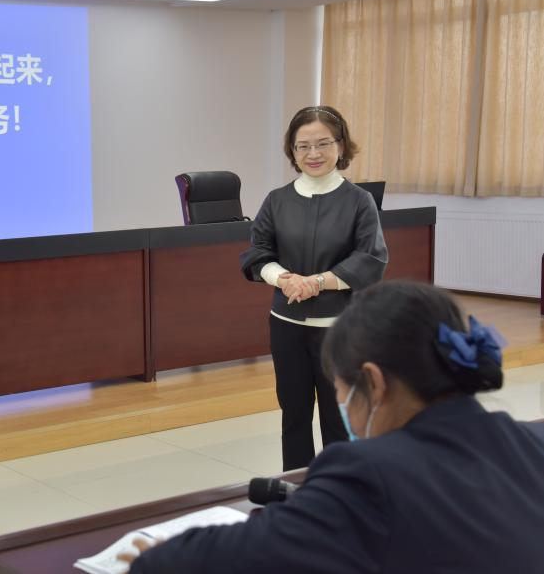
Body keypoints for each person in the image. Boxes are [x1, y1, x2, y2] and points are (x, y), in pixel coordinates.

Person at [124, 281, 544, 573]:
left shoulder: (370, 476)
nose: (342, 405)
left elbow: (236, 557)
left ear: (373, 383)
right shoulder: (531, 441)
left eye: (340, 390)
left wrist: (155, 559)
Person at [240, 105, 388, 470]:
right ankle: (297, 489)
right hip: (286, 325)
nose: (313, 153)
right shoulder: (277, 200)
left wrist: (318, 282)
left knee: (339, 419)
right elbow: (257, 253)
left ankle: (342, 489)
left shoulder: (358, 201)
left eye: (323, 143)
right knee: (294, 415)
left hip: (338, 329)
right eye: (303, 146)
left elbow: (370, 258)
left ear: (341, 145)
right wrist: (284, 278)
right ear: (292, 151)